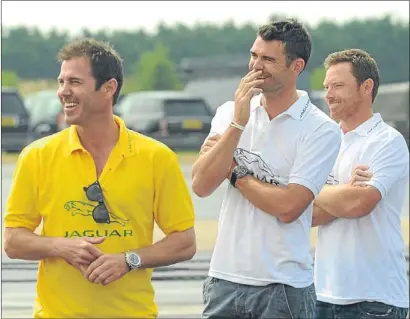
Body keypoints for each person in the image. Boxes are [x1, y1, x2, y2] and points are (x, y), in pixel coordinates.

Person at [4, 38, 196, 319]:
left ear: (109, 88)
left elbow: (185, 241)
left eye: (75, 82)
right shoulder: (36, 156)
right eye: (61, 82)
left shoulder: (157, 157)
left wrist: (129, 260)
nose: (63, 92)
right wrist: (60, 246)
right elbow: (13, 240)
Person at [192, 19, 341, 319]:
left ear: (297, 66)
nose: (256, 66)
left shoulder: (320, 129)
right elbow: (201, 184)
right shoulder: (228, 112)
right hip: (224, 279)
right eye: (254, 55)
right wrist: (237, 123)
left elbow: (288, 207)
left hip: (283, 287)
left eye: (268, 59)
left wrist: (234, 172)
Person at [312, 49, 409, 319]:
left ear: (367, 87)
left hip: (375, 299)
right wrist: (340, 193)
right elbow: (305, 215)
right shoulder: (327, 143)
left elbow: (359, 203)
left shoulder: (387, 141)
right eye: (327, 86)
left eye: (338, 86)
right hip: (323, 294)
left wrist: (310, 188)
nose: (328, 94)